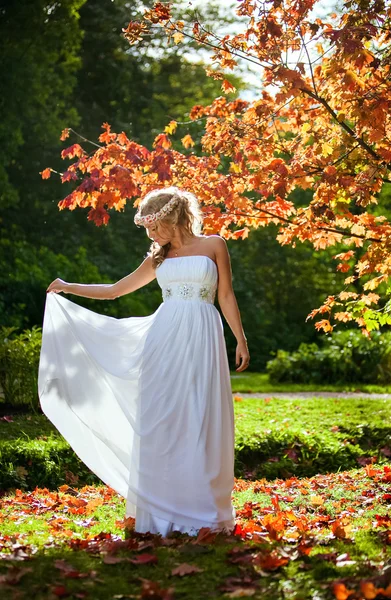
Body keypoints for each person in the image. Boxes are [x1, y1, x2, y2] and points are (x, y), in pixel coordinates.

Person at [38, 186, 250, 537]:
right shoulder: (158, 259)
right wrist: (68, 286)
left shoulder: (214, 245)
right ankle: (163, 511)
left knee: (200, 413)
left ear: (172, 218)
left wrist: (240, 338)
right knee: (164, 416)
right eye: (148, 231)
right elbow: (115, 289)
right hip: (164, 339)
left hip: (203, 336)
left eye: (154, 228)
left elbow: (225, 294)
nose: (151, 236)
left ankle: (202, 510)